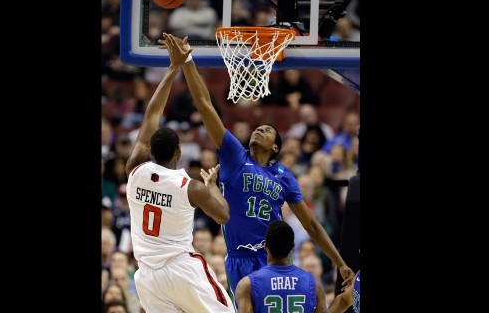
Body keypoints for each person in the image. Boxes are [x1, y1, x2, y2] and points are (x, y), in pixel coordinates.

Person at [161, 34, 354, 300]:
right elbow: (205, 106)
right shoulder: (234, 156)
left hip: (274, 260)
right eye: (258, 128)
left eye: (267, 130)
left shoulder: (285, 177)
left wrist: (338, 261)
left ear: (276, 148)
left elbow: (311, 224)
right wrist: (188, 61)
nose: (259, 129)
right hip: (239, 257)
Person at [124, 33, 234, 312]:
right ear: (179, 152)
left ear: (151, 150)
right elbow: (223, 215)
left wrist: (172, 69)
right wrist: (211, 186)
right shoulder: (191, 186)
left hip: (147, 275)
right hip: (182, 269)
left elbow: (151, 115)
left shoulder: (135, 169)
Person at [235, 221, 355, 313]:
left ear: (266, 246)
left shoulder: (247, 284)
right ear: (292, 246)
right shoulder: (312, 282)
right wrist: (346, 297)